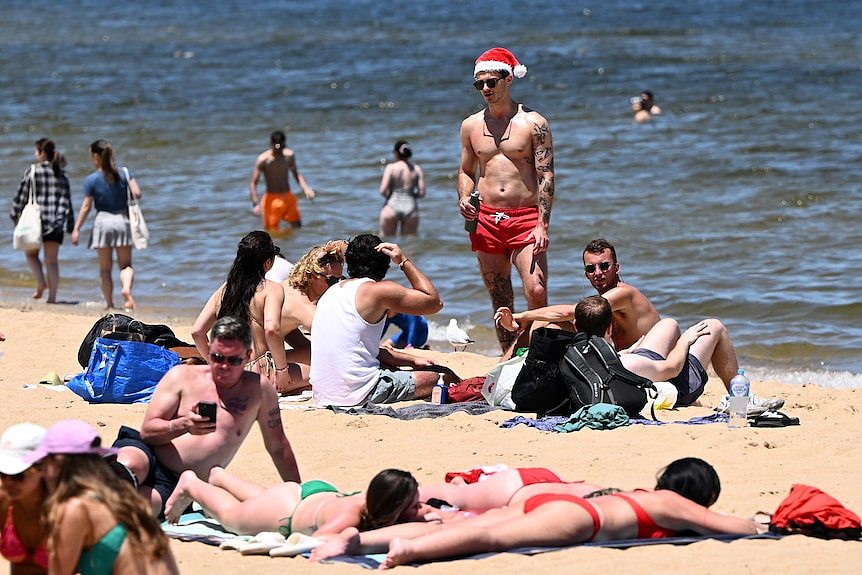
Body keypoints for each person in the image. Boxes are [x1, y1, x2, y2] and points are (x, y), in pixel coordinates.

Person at [315, 458, 763, 568]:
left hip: (548, 498)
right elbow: (731, 527)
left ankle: (359, 539)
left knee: (481, 523)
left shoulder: (646, 493)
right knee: (490, 539)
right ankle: (410, 550)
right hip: (581, 519)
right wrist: (759, 523)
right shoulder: (673, 505)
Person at [112, 316, 301, 517]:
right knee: (131, 465)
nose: (224, 366)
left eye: (233, 360)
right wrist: (183, 424)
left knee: (136, 509)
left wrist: (298, 491)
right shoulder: (182, 376)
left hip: (178, 483)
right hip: (147, 452)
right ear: (209, 351)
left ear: (247, 356)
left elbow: (278, 446)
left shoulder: (259, 390)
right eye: (218, 358)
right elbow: (148, 432)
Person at [458, 47, 555, 352]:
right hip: (486, 219)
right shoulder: (471, 125)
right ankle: (509, 356)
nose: (485, 89)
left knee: (536, 290)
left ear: (508, 79)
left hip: (525, 218)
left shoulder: (534, 123)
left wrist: (542, 225)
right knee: (500, 297)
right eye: (480, 84)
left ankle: (540, 354)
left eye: (491, 82)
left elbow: (546, 176)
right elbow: (465, 170)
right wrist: (464, 197)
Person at [309, 234, 447, 406]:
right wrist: (403, 261)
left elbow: (359, 348)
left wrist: (411, 360)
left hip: (323, 394)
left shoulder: (331, 292)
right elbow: (434, 302)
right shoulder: (377, 291)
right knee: (440, 376)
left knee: (399, 369)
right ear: (385, 265)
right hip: (358, 394)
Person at [25, 420, 178, 575]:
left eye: (42, 464)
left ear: (58, 464)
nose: (42, 472)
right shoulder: (125, 499)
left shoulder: (75, 508)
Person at [575, 295, 781, 409]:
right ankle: (740, 400)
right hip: (671, 382)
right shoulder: (627, 364)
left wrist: (627, 351)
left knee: (668, 324)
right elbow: (671, 369)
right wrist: (686, 340)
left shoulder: (574, 356)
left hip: (637, 361)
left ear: (576, 326)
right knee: (714, 326)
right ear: (610, 328)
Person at [495, 238, 660, 351]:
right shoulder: (603, 302)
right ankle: (503, 366)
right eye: (591, 268)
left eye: (604, 266)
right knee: (543, 324)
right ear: (585, 273)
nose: (597, 273)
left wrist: (523, 316)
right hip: (625, 358)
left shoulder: (624, 294)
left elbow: (570, 312)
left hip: (648, 361)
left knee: (544, 321)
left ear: (616, 268)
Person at [163, 467, 427, 537]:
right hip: (289, 512)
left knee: (261, 500)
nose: (421, 509)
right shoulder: (351, 518)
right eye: (415, 506)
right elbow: (324, 537)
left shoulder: (374, 501)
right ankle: (192, 484)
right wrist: (346, 538)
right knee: (232, 517)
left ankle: (220, 477)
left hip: (311, 495)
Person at [191, 231, 295, 394]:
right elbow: (272, 330)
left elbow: (197, 332)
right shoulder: (272, 289)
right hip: (257, 373)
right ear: (268, 262)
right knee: (314, 365)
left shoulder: (225, 289)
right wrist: (282, 371)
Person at [71, 139, 142, 311]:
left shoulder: (91, 179)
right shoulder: (125, 173)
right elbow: (138, 193)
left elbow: (87, 206)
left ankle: (109, 304)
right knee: (125, 265)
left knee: (105, 269)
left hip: (103, 223)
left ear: (96, 156)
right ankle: (126, 289)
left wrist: (77, 228)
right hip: (122, 221)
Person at [275, 240, 347, 389]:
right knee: (332, 364)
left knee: (315, 352)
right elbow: (340, 342)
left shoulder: (289, 285)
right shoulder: (303, 306)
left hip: (242, 358)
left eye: (339, 280)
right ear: (312, 275)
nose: (336, 286)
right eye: (331, 280)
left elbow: (285, 328)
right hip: (252, 368)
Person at [10, 138, 74, 304]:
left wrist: (14, 215)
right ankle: (52, 298)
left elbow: (21, 197)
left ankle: (40, 282)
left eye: (36, 151)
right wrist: (70, 225)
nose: (35, 154)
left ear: (42, 153)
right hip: (56, 223)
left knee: (31, 254)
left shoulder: (32, 171)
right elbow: (68, 202)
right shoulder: (62, 175)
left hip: (35, 224)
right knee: (52, 261)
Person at [0, 423, 49, 575]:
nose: (8, 482)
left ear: (43, 469)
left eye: (17, 475)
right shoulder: (4, 500)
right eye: (2, 474)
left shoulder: (67, 506)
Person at [249, 130, 315, 230]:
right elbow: (253, 183)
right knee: (272, 232)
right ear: (270, 143)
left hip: (287, 196)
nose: (278, 150)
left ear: (284, 144)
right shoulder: (263, 160)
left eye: (280, 147)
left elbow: (296, 173)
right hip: (271, 200)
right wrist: (255, 203)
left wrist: (306, 189)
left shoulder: (289, 156)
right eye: (275, 147)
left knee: (297, 227)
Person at [379, 140, 426, 236]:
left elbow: (382, 190)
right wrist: (413, 195)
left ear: (396, 153)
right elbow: (422, 192)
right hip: (410, 208)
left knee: (385, 244)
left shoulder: (391, 168)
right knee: (410, 246)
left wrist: (389, 195)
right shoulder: (416, 169)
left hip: (391, 206)